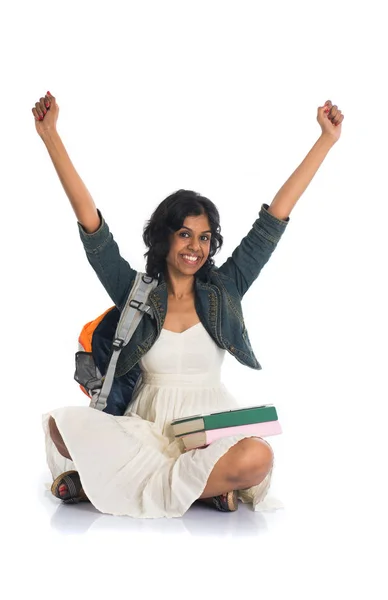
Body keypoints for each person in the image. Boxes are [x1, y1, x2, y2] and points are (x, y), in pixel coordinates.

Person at [33, 91, 344, 518]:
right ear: (165, 238)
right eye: (184, 234)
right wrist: (51, 135)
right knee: (61, 425)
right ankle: (201, 490)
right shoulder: (136, 293)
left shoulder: (226, 288)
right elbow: (94, 230)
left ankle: (109, 484)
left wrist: (325, 140)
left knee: (258, 459)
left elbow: (272, 222)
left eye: (204, 237)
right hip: (145, 429)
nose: (195, 247)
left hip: (208, 432)